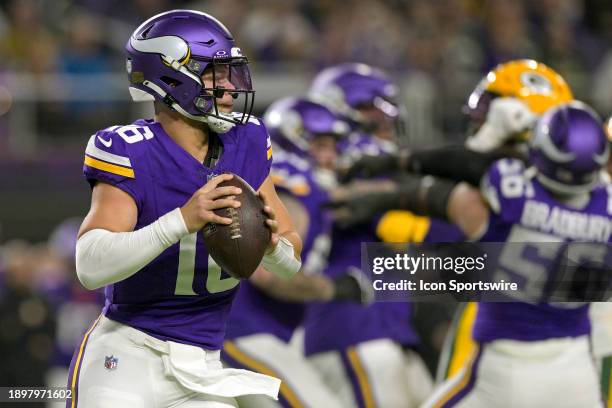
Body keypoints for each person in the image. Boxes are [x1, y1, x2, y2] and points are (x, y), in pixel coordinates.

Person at [68, 10, 302, 408]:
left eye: (231, 72)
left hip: (204, 365)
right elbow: (89, 267)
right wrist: (180, 221)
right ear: (171, 78)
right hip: (126, 355)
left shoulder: (247, 141)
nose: (230, 87)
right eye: (215, 74)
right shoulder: (129, 149)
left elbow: (291, 262)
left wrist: (271, 246)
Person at [331, 102, 610, 407]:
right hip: (579, 370)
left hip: (510, 367)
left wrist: (391, 184)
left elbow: (463, 177)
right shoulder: (606, 204)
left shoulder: (513, 199)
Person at [223, 97, 370, 408]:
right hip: (242, 331)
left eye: (334, 147)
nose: (330, 157)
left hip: (262, 333)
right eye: (321, 145)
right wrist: (331, 288)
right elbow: (266, 272)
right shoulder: (293, 187)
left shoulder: (308, 189)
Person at [303, 63, 434, 408]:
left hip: (389, 333)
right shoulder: (338, 165)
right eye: (373, 110)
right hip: (353, 330)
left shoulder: (372, 164)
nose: (383, 121)